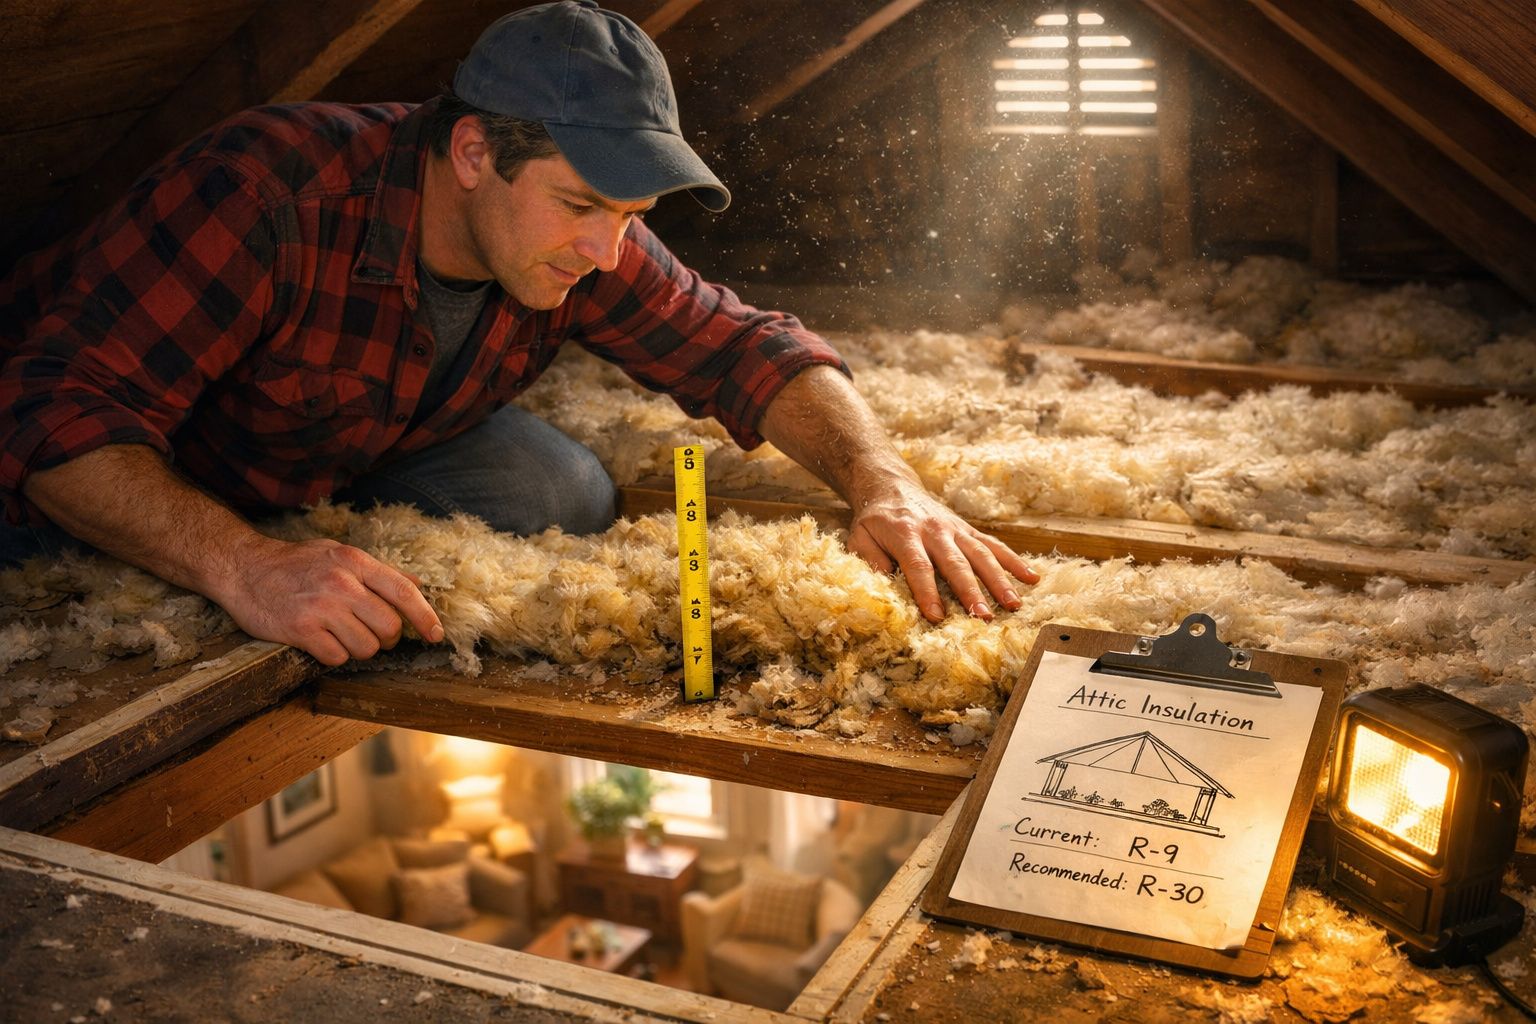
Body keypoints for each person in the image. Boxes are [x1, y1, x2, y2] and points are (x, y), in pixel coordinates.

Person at [0, 0, 1037, 667]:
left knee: (565, 493)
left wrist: (882, 480)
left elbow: (741, 345)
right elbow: (53, 413)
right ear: (468, 152)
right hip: (133, 449)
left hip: (355, 422)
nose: (608, 250)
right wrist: (244, 564)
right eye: (583, 204)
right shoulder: (267, 189)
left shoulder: (581, 239)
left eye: (633, 218)